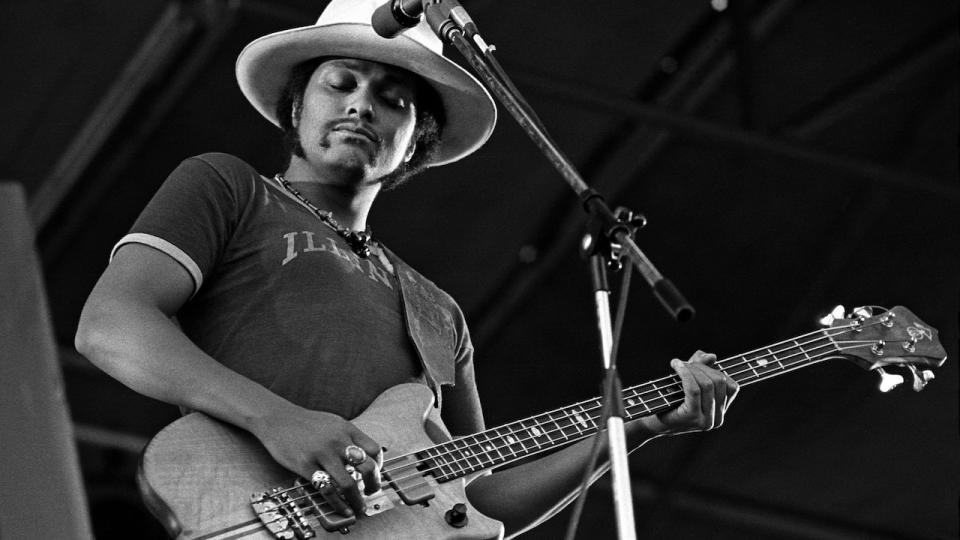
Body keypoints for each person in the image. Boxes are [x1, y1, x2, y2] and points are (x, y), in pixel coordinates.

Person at [75, 0, 739, 536]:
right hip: (245, 509)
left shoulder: (439, 310)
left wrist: (639, 428)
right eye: (341, 83)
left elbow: (478, 498)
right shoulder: (228, 186)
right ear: (297, 106)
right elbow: (109, 326)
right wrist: (273, 418)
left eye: (393, 98)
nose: (362, 105)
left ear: (416, 141)